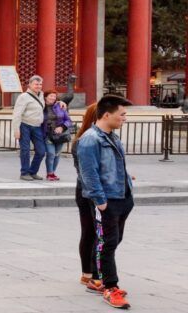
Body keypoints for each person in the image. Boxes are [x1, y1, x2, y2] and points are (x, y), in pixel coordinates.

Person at [76, 94, 134, 309]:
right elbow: (88, 173)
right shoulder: (90, 139)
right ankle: (110, 286)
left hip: (122, 197)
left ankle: (97, 279)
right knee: (107, 243)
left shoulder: (113, 137)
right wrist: (100, 201)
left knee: (113, 240)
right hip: (106, 199)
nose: (124, 118)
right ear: (107, 115)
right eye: (122, 114)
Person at [71, 103, 104, 295]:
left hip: (96, 189)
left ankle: (94, 272)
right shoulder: (84, 141)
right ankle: (88, 273)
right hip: (87, 191)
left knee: (97, 233)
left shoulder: (104, 138)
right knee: (90, 232)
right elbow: (85, 171)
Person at [11, 75, 46, 180]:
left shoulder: (42, 95)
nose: (38, 86)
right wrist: (16, 130)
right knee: (25, 150)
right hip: (25, 125)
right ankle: (24, 173)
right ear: (30, 84)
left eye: (40, 84)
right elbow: (17, 114)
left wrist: (61, 102)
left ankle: (33, 172)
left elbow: (52, 100)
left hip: (37, 126)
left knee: (41, 151)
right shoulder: (23, 97)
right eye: (36, 84)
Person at [42, 88, 74, 181]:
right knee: (51, 153)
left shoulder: (60, 106)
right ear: (45, 97)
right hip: (48, 134)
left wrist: (62, 127)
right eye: (51, 96)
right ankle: (50, 173)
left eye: (54, 96)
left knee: (57, 154)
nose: (53, 98)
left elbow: (68, 120)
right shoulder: (41, 107)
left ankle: (52, 173)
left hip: (60, 135)